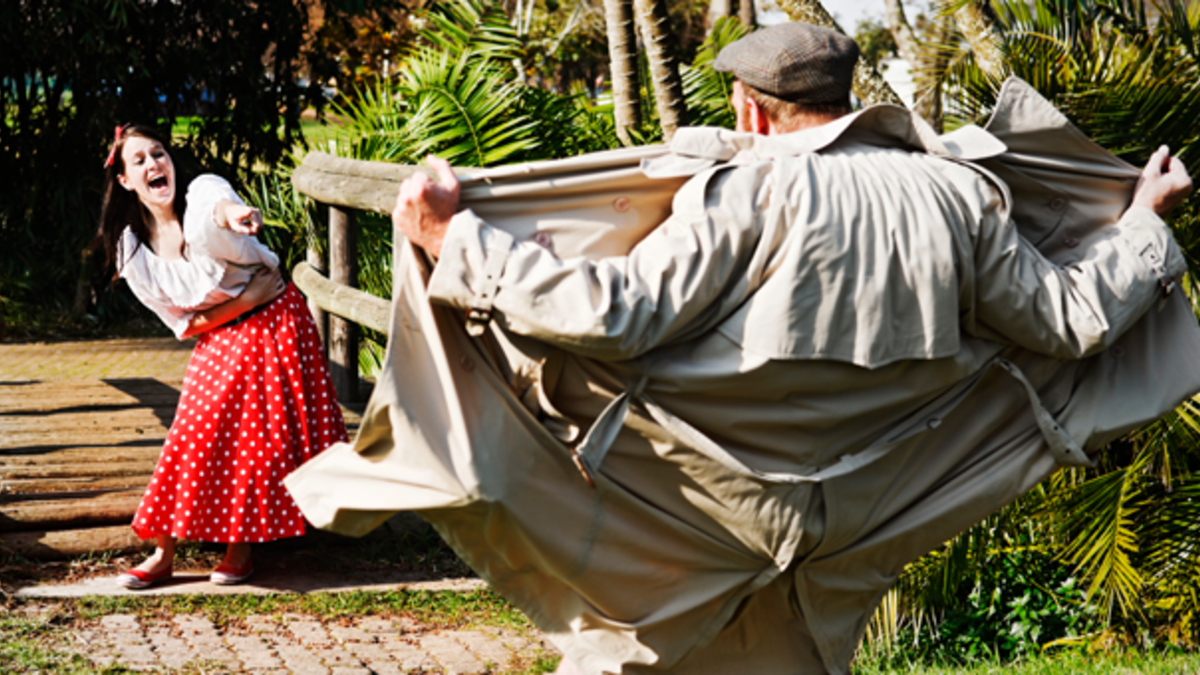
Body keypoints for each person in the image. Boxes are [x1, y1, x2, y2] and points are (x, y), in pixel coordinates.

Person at [288, 22, 1197, 675]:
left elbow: (615, 316)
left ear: (750, 114)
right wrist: (1145, 225)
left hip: (702, 498)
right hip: (862, 507)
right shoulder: (960, 195)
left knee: (638, 645)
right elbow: (1072, 318)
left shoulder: (745, 195)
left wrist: (461, 244)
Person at [94, 124, 347, 589]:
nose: (154, 164)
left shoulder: (200, 196)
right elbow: (183, 326)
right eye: (140, 161)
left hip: (275, 319)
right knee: (194, 428)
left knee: (250, 428)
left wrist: (237, 217)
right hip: (226, 326)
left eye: (159, 153)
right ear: (126, 181)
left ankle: (239, 549)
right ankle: (163, 551)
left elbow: (220, 207)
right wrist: (242, 302)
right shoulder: (134, 250)